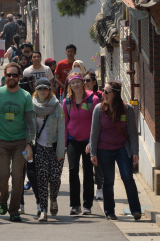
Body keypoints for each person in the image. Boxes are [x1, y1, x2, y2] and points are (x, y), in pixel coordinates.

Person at [0, 62, 35, 222]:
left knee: (17, 177)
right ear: (5, 76)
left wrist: (29, 143)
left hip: (20, 143)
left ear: (19, 77)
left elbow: (30, 121)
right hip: (1, 141)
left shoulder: (26, 96)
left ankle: (14, 210)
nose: (12, 77)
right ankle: (2, 199)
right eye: (9, 75)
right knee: (2, 176)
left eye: (15, 75)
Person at [90, 80, 141, 221]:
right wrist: (93, 152)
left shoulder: (128, 109)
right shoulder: (98, 109)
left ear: (115, 94)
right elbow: (94, 132)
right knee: (108, 180)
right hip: (104, 149)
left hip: (122, 149)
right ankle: (109, 211)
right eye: (103, 91)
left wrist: (135, 152)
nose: (103, 94)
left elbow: (132, 132)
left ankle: (136, 210)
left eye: (107, 92)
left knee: (127, 177)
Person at [63, 71, 100, 216]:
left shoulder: (93, 100)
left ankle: (87, 205)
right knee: (73, 171)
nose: (76, 85)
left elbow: (96, 124)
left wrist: (92, 142)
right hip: (72, 139)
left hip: (88, 141)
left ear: (83, 83)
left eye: (78, 82)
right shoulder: (66, 102)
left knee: (88, 173)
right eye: (73, 83)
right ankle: (75, 205)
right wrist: (64, 144)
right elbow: (65, 123)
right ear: (70, 86)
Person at [28, 78, 65, 222]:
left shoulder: (57, 106)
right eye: (40, 89)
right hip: (40, 148)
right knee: (41, 179)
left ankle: (54, 198)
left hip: (55, 147)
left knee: (55, 178)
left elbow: (62, 129)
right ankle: (43, 210)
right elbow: (28, 127)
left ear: (50, 90)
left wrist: (60, 152)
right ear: (36, 90)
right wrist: (29, 146)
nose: (43, 91)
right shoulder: (31, 106)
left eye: (45, 88)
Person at [84, 71, 104, 200]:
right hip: (84, 135)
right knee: (86, 166)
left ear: (94, 82)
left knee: (97, 163)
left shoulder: (101, 96)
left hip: (98, 134)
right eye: (84, 80)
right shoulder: (81, 96)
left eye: (88, 80)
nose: (85, 83)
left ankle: (99, 188)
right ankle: (89, 191)